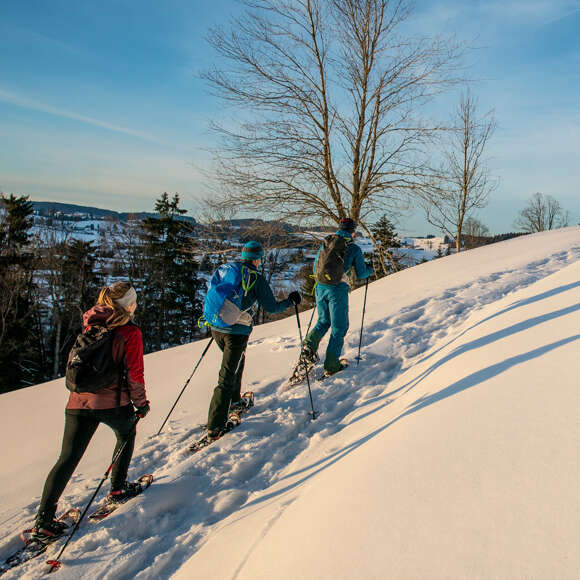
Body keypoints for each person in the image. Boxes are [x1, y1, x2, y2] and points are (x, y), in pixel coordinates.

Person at [32, 282, 149, 542]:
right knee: (127, 432)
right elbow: (135, 373)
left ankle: (44, 521)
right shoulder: (129, 331)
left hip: (77, 402)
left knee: (67, 458)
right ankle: (117, 489)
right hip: (112, 403)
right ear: (128, 304)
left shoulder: (92, 322)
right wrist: (140, 403)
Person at [205, 241, 300, 440]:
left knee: (236, 364)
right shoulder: (255, 277)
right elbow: (272, 308)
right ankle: (215, 426)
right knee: (227, 375)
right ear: (258, 258)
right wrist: (290, 301)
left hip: (216, 328)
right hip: (236, 332)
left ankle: (234, 401)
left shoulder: (228, 270)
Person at [301, 217, 372, 376]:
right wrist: (370, 270)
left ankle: (308, 348)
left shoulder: (327, 242)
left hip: (320, 287)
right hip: (337, 289)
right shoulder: (353, 248)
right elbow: (361, 273)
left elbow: (315, 267)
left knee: (323, 321)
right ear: (353, 231)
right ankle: (332, 365)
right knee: (339, 327)